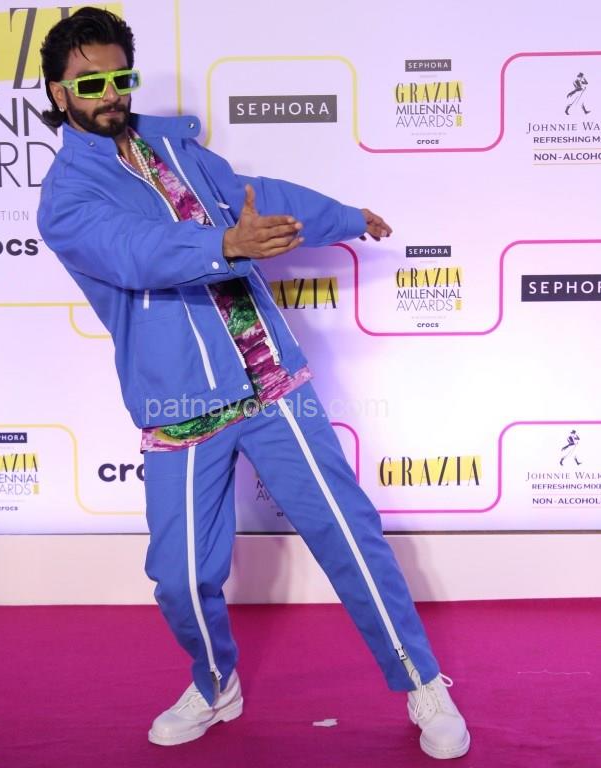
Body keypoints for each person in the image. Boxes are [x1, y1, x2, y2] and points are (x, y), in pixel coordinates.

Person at [37, 7, 470, 760]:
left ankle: (421, 681)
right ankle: (215, 684)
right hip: (179, 405)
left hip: (270, 381)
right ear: (59, 91)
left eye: (119, 77)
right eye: (91, 82)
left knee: (348, 534)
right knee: (179, 578)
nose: (110, 94)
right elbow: (135, 250)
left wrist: (342, 216)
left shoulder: (177, 149)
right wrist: (224, 245)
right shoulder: (66, 198)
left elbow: (255, 195)